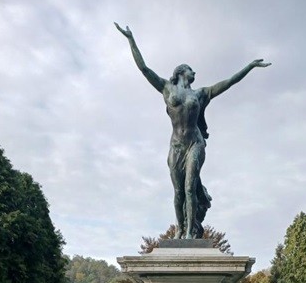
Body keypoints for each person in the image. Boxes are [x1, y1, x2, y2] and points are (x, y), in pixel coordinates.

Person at [115, 23, 271, 239]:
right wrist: (131, 39)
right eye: (190, 69)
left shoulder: (200, 94)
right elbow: (144, 68)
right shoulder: (166, 88)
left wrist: (250, 66)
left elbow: (228, 82)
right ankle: (179, 230)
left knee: (189, 188)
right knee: (178, 192)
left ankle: (190, 233)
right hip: (176, 145)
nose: (194, 72)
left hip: (194, 144)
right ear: (180, 72)